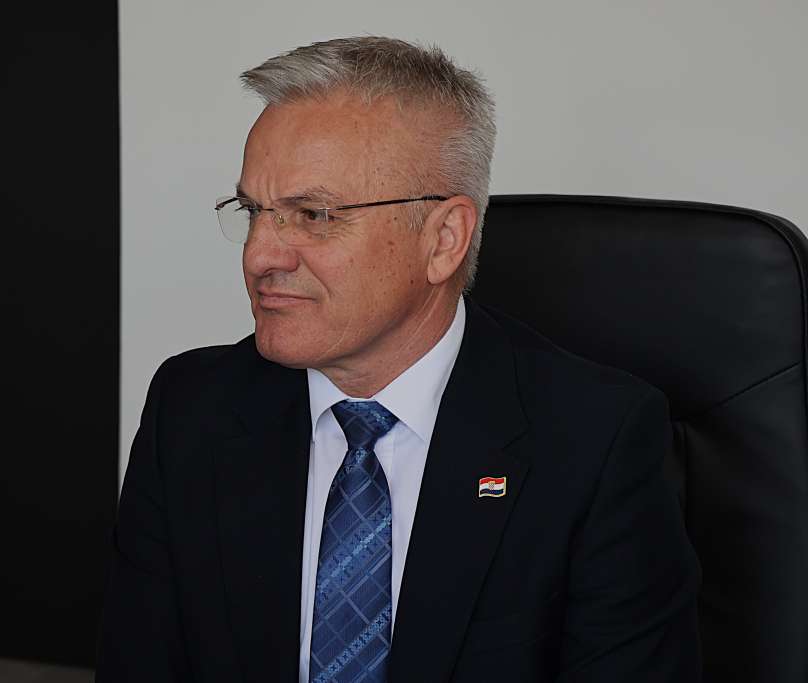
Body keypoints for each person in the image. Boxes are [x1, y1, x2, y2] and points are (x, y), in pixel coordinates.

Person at [96, 37, 701, 682]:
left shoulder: (596, 443)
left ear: (444, 240)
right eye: (253, 211)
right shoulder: (193, 409)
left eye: (314, 214)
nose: (259, 255)